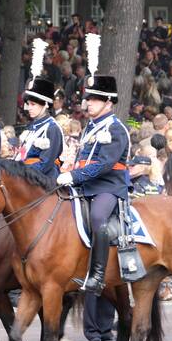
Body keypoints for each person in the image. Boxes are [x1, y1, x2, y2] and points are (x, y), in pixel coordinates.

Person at [56, 71, 131, 295]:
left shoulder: (116, 129)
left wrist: (74, 176)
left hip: (108, 186)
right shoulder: (91, 127)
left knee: (98, 217)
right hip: (86, 185)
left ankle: (97, 276)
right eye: (88, 98)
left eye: (94, 99)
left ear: (108, 101)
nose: (87, 103)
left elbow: (104, 164)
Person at [14, 70, 64, 180]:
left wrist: (19, 173)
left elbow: (45, 164)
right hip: (26, 176)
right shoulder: (31, 127)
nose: (29, 108)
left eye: (33, 104)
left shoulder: (52, 128)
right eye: (28, 104)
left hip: (44, 180)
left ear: (45, 104)